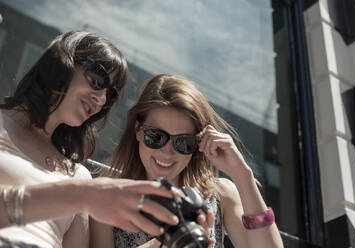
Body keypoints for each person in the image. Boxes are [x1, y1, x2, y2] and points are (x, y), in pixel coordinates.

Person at [0, 32, 182, 248]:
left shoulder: (78, 175)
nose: (102, 99)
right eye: (98, 79)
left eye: (110, 94)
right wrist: (82, 195)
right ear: (62, 62)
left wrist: (160, 244)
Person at [90, 74, 284, 248]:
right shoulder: (109, 195)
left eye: (183, 142)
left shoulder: (221, 196)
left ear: (197, 145)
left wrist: (242, 174)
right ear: (138, 131)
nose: (168, 152)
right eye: (156, 137)